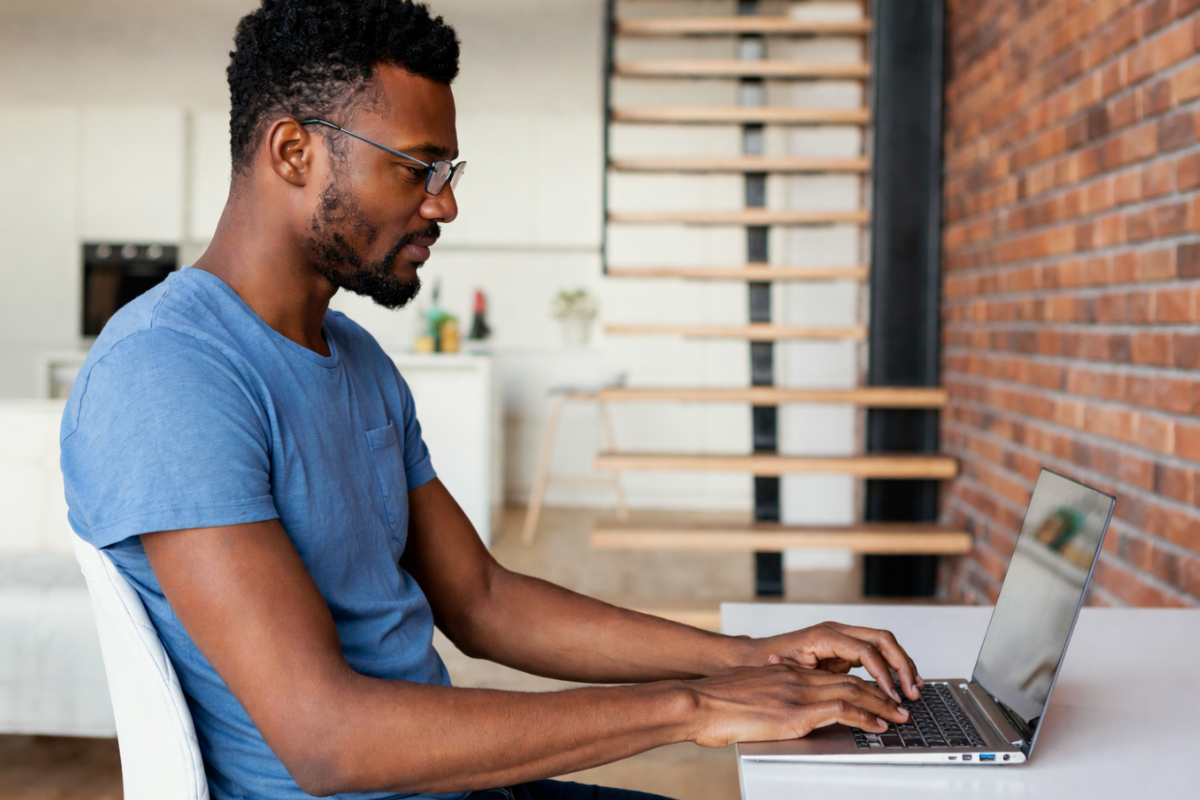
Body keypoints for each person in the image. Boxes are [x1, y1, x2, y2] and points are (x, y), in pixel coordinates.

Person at [60, 2, 920, 799]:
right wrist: (693, 708)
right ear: (294, 152)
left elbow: (480, 599)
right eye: (416, 169)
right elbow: (327, 740)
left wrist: (747, 659)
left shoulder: (353, 356)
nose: (445, 203)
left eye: (448, 168)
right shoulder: (170, 373)